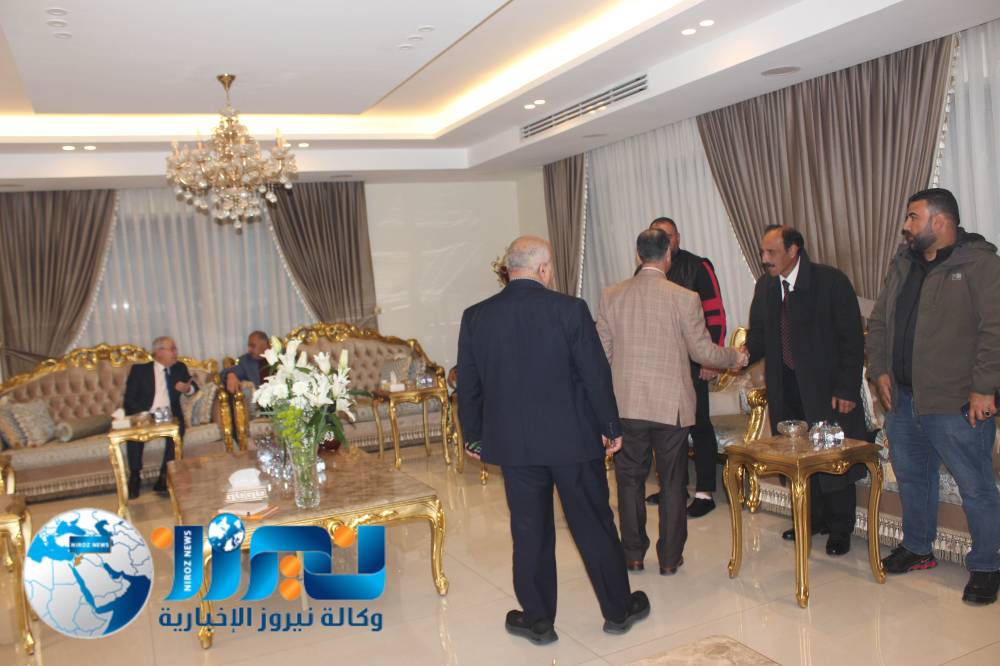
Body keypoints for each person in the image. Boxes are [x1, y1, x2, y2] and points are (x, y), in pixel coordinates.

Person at [457, 235, 649, 645]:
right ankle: (618, 611)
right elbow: (594, 375)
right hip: (573, 442)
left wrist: (473, 437)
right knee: (594, 524)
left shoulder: (476, 317)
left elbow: (469, 386)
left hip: (515, 446)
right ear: (543, 270)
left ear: (509, 269)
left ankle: (538, 621)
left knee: (529, 531)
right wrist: (611, 426)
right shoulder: (569, 309)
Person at [867, 188, 1000, 605]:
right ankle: (918, 548)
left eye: (913, 217)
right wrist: (879, 370)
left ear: (940, 221)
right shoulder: (903, 264)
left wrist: (984, 388)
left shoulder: (979, 263)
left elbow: (994, 329)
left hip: (957, 402)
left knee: (976, 485)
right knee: (912, 477)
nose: (905, 226)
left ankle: (987, 565)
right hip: (903, 398)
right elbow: (879, 321)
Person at [598, 229, 746, 575]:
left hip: (626, 406)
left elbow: (601, 355)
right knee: (673, 483)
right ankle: (669, 558)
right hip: (672, 408)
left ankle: (633, 555)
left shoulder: (611, 295)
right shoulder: (684, 297)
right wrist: (734, 357)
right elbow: (702, 352)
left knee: (629, 481)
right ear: (667, 255)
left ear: (638, 255)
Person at [745, 226, 867, 556]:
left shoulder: (831, 282)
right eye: (762, 252)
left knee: (832, 458)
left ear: (793, 250)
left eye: (771, 252)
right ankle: (812, 519)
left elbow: (852, 341)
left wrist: (847, 388)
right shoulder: (766, 287)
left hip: (826, 390)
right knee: (798, 456)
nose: (765, 259)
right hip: (786, 389)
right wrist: (736, 357)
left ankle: (840, 528)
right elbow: (758, 337)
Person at [643, 217, 728, 518]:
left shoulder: (698, 266)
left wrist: (711, 359)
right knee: (666, 427)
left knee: (699, 424)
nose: (665, 240)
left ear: (677, 237)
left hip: (695, 362)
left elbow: (716, 314)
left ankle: (705, 492)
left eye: (669, 235)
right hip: (661, 363)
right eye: (659, 235)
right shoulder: (646, 272)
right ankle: (673, 488)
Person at [122, 336, 197, 498]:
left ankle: (165, 476)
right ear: (159, 352)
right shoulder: (139, 370)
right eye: (172, 349)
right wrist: (144, 416)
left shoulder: (179, 368)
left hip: (170, 415)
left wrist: (187, 389)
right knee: (134, 433)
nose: (176, 352)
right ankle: (135, 476)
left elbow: (194, 388)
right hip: (146, 414)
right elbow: (129, 400)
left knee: (178, 429)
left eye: (175, 349)